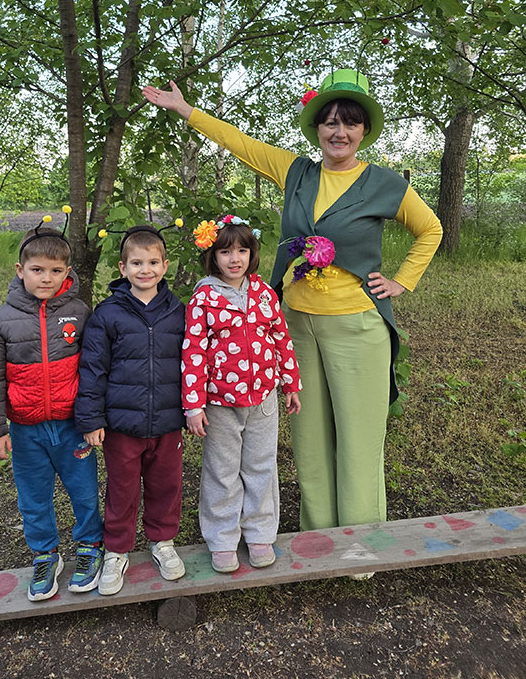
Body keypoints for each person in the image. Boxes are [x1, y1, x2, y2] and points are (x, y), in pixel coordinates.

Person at [143, 70, 443, 547]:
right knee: (310, 440)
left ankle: (360, 545)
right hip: (296, 326)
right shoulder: (298, 172)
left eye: (350, 122)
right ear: (317, 128)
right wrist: (185, 110)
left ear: (364, 130)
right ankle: (319, 539)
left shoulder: (383, 183)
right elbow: (240, 143)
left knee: (359, 440)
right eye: (330, 122)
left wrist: (400, 281)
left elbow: (431, 229)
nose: (339, 131)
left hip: (357, 326)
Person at [0, 217, 104, 602]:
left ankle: (90, 546)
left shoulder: (79, 313)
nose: (46, 278)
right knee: (33, 497)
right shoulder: (1, 322)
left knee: (84, 492)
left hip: (72, 427)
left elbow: (95, 368)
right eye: (37, 270)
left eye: (55, 271)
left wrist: (94, 418)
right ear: (20, 270)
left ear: (67, 272)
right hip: (26, 430)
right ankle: (46, 554)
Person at [182, 215, 302, 573]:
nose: (234, 259)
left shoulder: (264, 293)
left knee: (260, 466)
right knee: (222, 471)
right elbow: (193, 352)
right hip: (220, 403)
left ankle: (260, 533)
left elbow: (281, 338)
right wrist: (193, 406)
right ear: (213, 256)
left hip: (263, 399)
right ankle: (222, 538)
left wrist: (291, 383)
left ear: (252, 254)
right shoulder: (204, 297)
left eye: (242, 251)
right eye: (225, 252)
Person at [74, 226, 186, 595]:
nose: (145, 270)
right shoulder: (108, 314)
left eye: (153, 262)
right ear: (123, 268)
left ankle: (162, 541)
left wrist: (193, 407)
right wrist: (91, 418)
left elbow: (192, 363)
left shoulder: (179, 312)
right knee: (122, 489)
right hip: (122, 425)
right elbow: (93, 369)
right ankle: (117, 550)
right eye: (137, 263)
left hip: (167, 420)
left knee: (166, 485)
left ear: (165, 266)